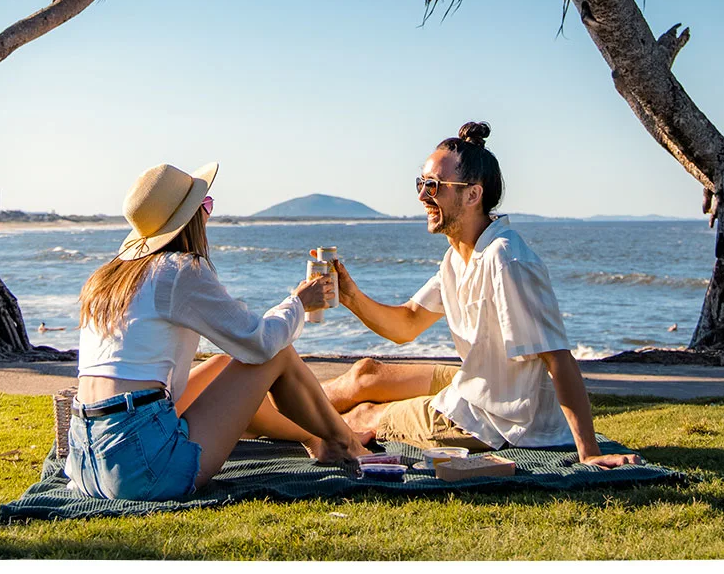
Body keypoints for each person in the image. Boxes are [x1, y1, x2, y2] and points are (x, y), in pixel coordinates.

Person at [274, 122, 640, 467]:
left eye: (433, 186)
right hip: (478, 385)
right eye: (421, 182)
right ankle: (263, 407)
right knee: (366, 374)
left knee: (364, 413)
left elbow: (558, 358)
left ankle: (260, 419)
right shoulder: (457, 256)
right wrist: (350, 295)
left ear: (473, 195)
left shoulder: (506, 260)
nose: (421, 195)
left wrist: (589, 452)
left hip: (498, 420)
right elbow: (407, 324)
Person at [70, 162, 372, 501]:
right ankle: (346, 444)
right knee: (276, 354)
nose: (209, 216)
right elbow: (261, 345)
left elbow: (241, 352)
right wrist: (299, 302)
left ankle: (319, 439)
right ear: (192, 217)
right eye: (207, 206)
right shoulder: (178, 269)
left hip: (85, 461)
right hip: (143, 468)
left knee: (225, 364)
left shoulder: (108, 277)